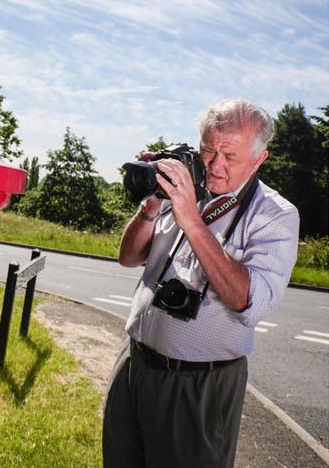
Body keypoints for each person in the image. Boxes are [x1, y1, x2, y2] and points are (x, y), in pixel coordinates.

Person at [102, 99, 299, 468]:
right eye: (208, 149)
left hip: (198, 386)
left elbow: (250, 301)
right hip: (134, 365)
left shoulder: (276, 216)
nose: (214, 165)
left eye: (229, 155)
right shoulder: (185, 186)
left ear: (259, 160)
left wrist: (191, 220)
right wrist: (151, 204)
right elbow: (128, 257)